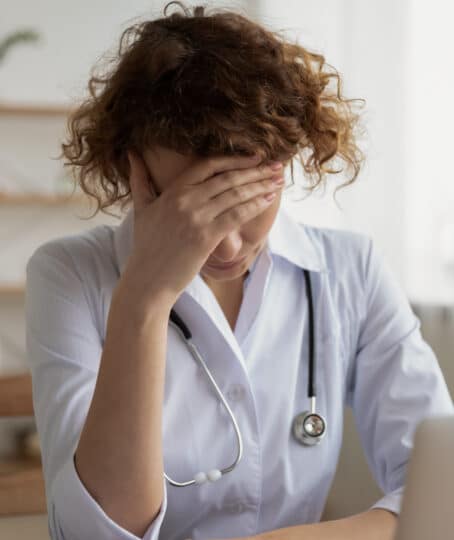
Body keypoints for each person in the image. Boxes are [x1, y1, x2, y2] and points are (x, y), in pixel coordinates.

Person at [24, 2, 454, 540]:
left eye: (248, 199)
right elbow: (96, 534)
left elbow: (442, 491)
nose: (226, 243)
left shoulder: (351, 271)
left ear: (286, 160)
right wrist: (144, 298)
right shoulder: (70, 277)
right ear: (136, 171)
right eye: (196, 207)